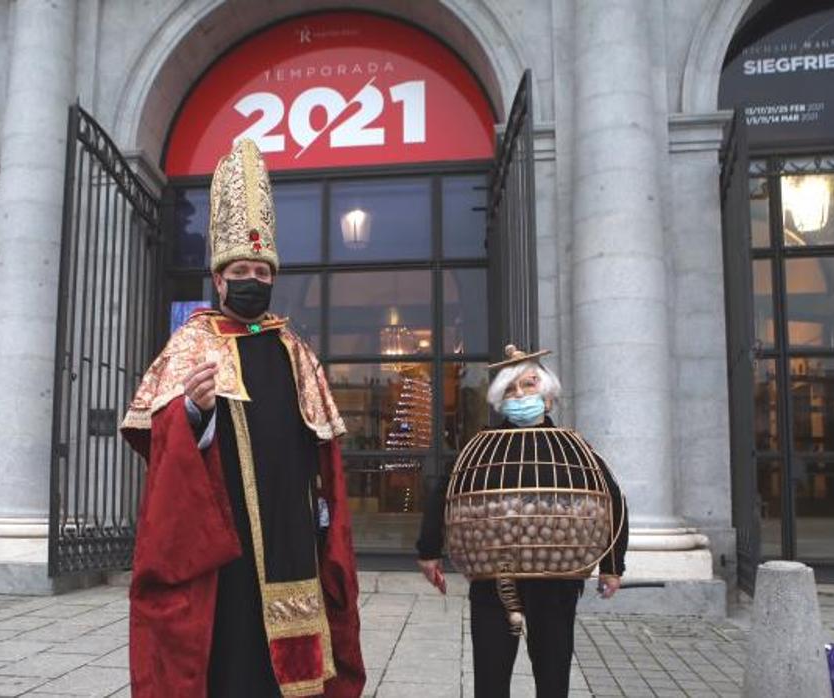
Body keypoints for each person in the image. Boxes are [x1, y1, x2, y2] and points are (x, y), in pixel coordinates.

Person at [121, 140, 364, 698]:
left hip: (294, 533)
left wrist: (324, 517)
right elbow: (158, 442)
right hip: (225, 546)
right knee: (234, 659)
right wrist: (193, 411)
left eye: (262, 269)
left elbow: (323, 448)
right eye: (240, 269)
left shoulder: (294, 348)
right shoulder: (191, 343)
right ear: (219, 278)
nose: (252, 278)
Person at [416, 345, 629, 698]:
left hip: (556, 575)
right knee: (490, 673)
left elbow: (612, 500)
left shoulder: (574, 450)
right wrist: (428, 551)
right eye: (511, 390)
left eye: (528, 386)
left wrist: (611, 565)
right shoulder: (483, 448)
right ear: (500, 400)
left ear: (547, 397)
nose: (520, 395)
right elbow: (445, 493)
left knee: (552, 671)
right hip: (493, 575)